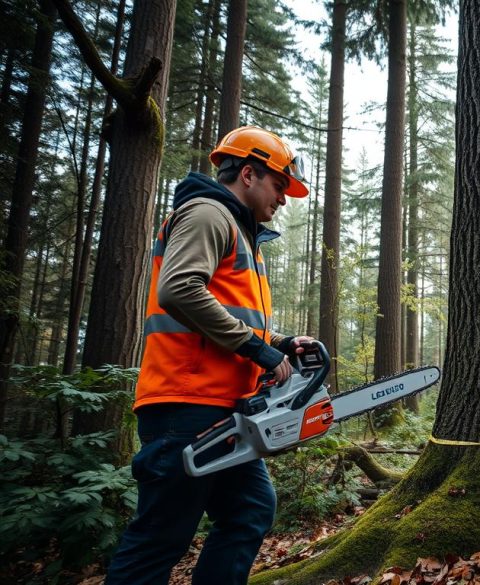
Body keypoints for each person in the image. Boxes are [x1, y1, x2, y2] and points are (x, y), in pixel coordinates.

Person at [105, 126, 317, 584]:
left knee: (250, 512)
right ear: (248, 173)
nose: (283, 199)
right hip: (186, 406)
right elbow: (180, 290)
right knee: (160, 538)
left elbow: (227, 311)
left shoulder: (240, 233)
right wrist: (258, 349)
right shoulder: (208, 214)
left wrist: (277, 343)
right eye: (279, 186)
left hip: (222, 409)